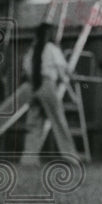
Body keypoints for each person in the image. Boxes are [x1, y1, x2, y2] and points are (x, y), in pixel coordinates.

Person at [21, 22, 78, 162]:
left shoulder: (32, 50)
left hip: (34, 86)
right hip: (47, 85)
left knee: (34, 123)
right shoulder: (52, 49)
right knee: (59, 122)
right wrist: (71, 88)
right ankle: (70, 156)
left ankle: (28, 158)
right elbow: (63, 72)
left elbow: (26, 71)